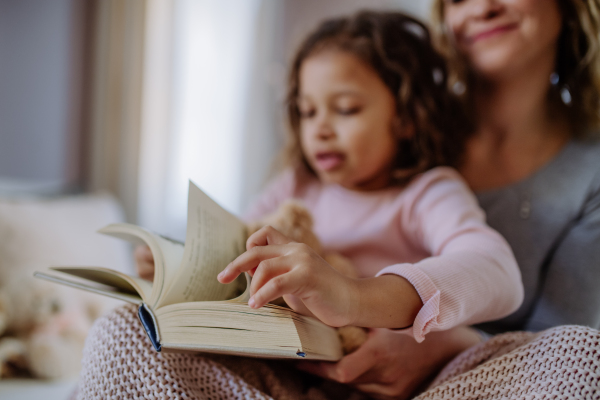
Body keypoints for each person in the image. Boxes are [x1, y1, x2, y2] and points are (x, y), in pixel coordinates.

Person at [77, 11, 526, 400]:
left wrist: (353, 297)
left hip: (404, 384)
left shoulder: (426, 192)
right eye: (308, 112)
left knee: (575, 349)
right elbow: (238, 245)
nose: (320, 130)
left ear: (406, 118)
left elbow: (497, 270)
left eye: (345, 109)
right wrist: (178, 270)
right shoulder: (295, 185)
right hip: (287, 378)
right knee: (120, 331)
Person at [297, 0, 600, 398]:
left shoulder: (590, 169)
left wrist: (445, 345)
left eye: (346, 109)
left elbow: (560, 344)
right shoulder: (388, 127)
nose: (482, 8)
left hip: (484, 377)